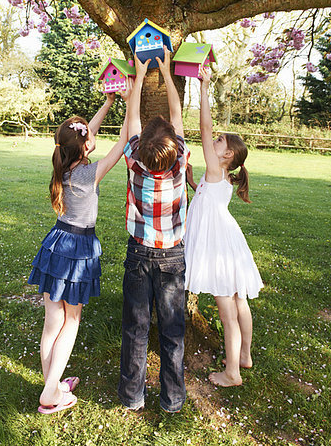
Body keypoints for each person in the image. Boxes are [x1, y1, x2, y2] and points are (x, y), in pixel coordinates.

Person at [28, 87, 132, 414]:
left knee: (51, 322)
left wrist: (109, 103)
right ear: (85, 145)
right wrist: (130, 104)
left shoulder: (65, 164)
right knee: (70, 321)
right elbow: (124, 141)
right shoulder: (89, 174)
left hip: (56, 243)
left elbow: (87, 135)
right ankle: (50, 394)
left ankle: (53, 385)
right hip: (78, 249)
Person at [118, 47, 189, 413]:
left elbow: (132, 117)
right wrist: (165, 68)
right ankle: (173, 398)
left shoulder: (134, 163)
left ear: (143, 145)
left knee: (136, 325)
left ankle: (133, 396)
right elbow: (176, 115)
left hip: (139, 253)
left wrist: (141, 76)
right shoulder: (179, 165)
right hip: (173, 256)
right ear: (174, 147)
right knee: (172, 329)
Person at [184, 66, 263, 388]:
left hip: (216, 246)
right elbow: (205, 198)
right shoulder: (219, 176)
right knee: (238, 300)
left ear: (227, 154)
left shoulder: (217, 169)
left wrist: (203, 87)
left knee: (227, 309)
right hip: (228, 241)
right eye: (215, 139)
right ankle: (244, 354)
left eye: (218, 142)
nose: (211, 140)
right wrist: (191, 180)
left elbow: (204, 128)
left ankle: (232, 373)